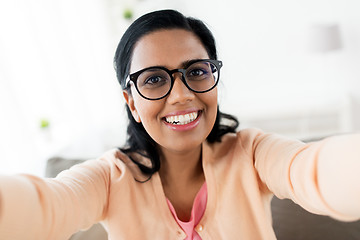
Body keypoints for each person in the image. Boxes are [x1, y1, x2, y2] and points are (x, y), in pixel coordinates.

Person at [0, 9, 360, 240]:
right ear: (132, 103)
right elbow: (50, 205)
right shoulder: (109, 178)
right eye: (154, 79)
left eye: (197, 72)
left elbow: (312, 171)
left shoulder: (251, 153)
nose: (181, 95)